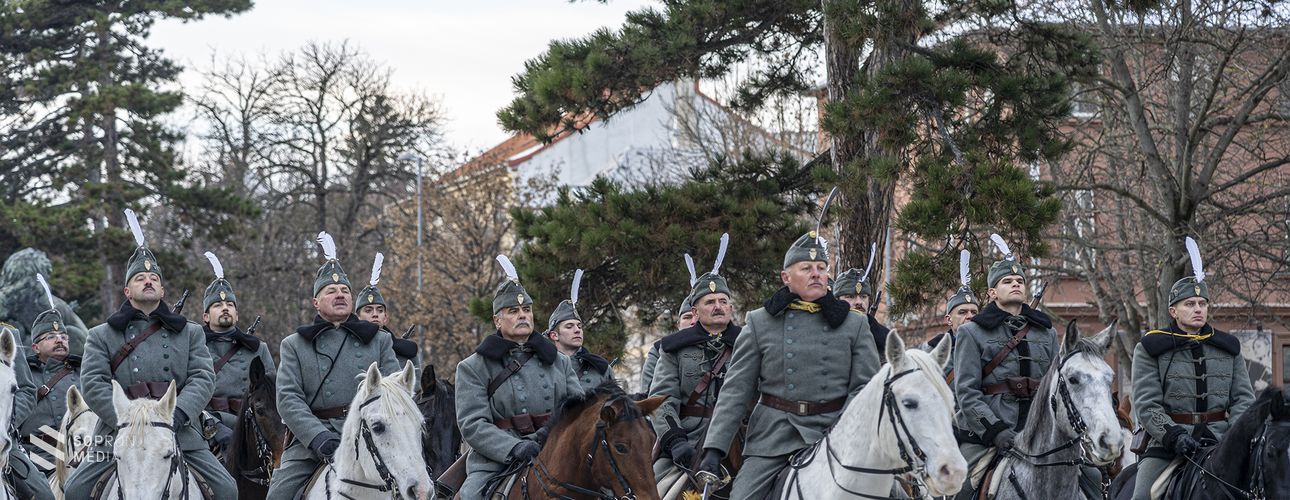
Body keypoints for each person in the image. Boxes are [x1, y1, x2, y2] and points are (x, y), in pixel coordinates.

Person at [66, 209, 236, 499]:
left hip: (181, 431)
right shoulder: (100, 335)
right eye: (140, 278)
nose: (148, 281)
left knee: (226, 490)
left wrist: (177, 414)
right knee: (75, 491)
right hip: (116, 434)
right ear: (127, 290)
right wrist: (126, 420)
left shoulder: (191, 332)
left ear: (162, 289)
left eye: (153, 278)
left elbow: (203, 378)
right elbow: (93, 384)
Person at [697, 230, 880, 497]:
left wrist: (845, 430)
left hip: (836, 433)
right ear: (786, 277)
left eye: (821, 268)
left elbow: (866, 388)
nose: (816, 274)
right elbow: (736, 390)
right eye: (806, 268)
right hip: (774, 437)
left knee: (894, 491)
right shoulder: (760, 322)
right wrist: (714, 449)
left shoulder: (855, 324)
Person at [265, 232, 400, 500]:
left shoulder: (380, 340)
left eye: (345, 291)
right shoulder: (294, 345)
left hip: (372, 435)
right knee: (278, 495)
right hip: (314, 441)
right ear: (316, 302)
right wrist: (318, 437)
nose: (340, 295)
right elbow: (289, 399)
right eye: (331, 291)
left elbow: (395, 391)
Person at [1129, 237, 1254, 500]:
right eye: (1189, 304)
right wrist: (1173, 435)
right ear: (1173, 311)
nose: (1198, 309)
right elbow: (1147, 405)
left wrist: (1234, 437)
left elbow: (1244, 399)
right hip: (1169, 444)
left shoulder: (1228, 347)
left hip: (1221, 442)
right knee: (1142, 496)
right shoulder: (1151, 347)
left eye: (1202, 304)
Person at [453, 255, 583, 500]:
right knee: (471, 495)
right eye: (513, 311)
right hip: (497, 461)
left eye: (527, 310)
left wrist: (553, 438)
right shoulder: (473, 367)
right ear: (497, 320)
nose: (523, 315)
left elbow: (578, 411)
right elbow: (473, 424)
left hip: (556, 450)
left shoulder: (560, 362)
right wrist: (514, 447)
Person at [951, 234, 1058, 499]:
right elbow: (967, 393)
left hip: (1039, 436)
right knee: (961, 490)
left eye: (1019, 281)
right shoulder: (971, 333)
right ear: (992, 293)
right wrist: (995, 431)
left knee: (1091, 477)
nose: (1015, 284)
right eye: (1007, 281)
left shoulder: (1047, 333)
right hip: (988, 437)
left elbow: (1056, 387)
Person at [650, 240, 741, 482]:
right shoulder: (674, 348)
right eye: (710, 302)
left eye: (723, 301)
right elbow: (661, 401)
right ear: (695, 312)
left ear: (731, 307)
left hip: (742, 442)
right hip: (689, 440)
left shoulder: (749, 344)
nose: (718, 307)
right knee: (655, 489)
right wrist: (675, 441)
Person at [199, 251, 275, 454]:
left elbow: (270, 396)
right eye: (218, 305)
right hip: (207, 427)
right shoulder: (194, 346)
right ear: (206, 316)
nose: (225, 308)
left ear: (237, 314)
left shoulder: (258, 348)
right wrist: (214, 426)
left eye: (230, 305)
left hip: (252, 427)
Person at [20, 273, 82, 473]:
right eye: (51, 337)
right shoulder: (23, 375)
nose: (59, 340)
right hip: (35, 457)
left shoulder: (83, 372)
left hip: (81, 456)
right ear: (35, 347)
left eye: (63, 336)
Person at [355, 252, 422, 375]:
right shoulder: (350, 347)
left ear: (385, 317)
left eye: (380, 310)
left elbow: (415, 384)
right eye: (368, 310)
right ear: (358, 317)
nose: (375, 314)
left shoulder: (404, 351)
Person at [546, 269, 615, 389]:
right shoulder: (543, 367)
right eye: (569, 326)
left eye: (579, 326)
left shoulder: (601, 368)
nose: (577, 330)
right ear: (554, 335)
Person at [921, 250, 979, 382]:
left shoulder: (987, 346)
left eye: (974, 312)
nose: (970, 316)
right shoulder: (933, 350)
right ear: (949, 319)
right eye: (962, 312)